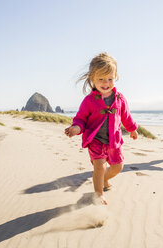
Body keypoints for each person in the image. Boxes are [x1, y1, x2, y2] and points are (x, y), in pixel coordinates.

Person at [65, 53, 138, 205]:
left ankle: (105, 179)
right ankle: (98, 195)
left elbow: (126, 116)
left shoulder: (119, 98)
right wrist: (75, 129)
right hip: (96, 140)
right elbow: (81, 119)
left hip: (113, 140)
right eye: (101, 79)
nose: (106, 83)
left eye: (110, 79)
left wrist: (132, 129)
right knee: (99, 166)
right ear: (92, 78)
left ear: (115, 77)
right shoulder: (89, 101)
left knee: (118, 166)